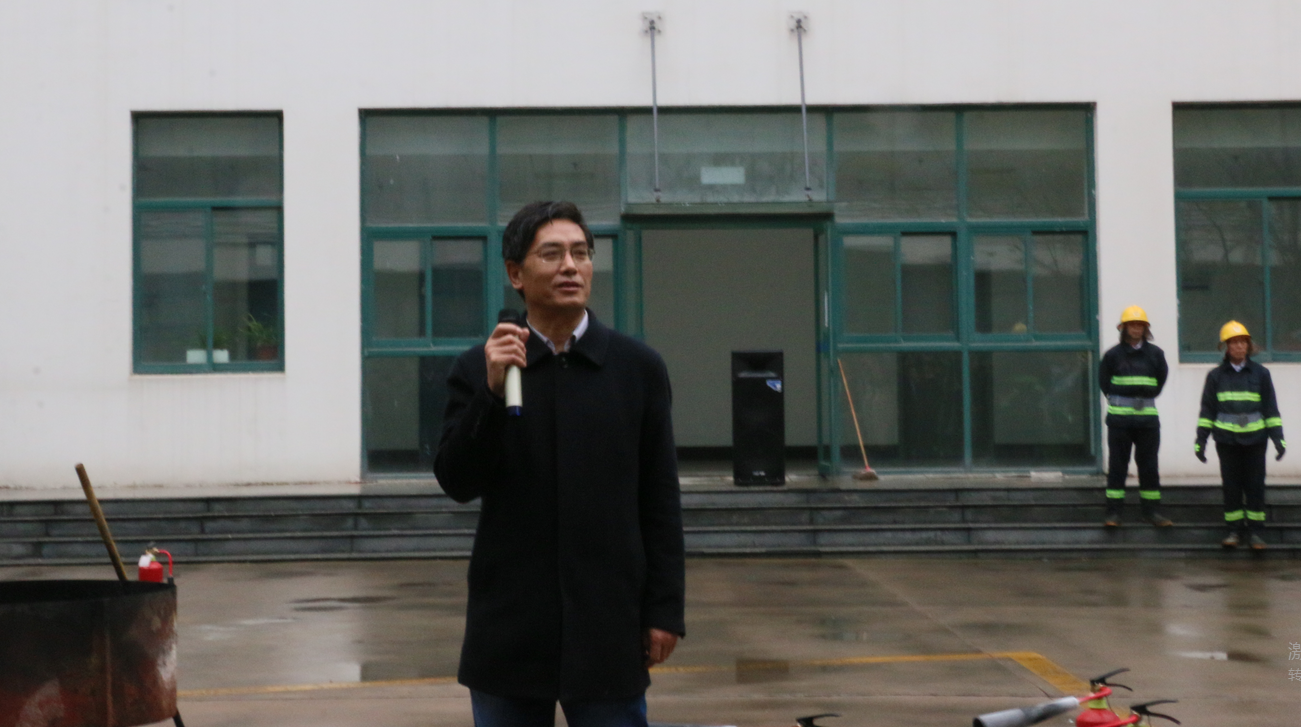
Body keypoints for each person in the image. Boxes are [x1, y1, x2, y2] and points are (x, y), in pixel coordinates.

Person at [434, 201, 685, 727]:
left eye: (581, 253)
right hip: (510, 629)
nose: (571, 266)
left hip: (608, 627)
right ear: (515, 274)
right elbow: (457, 480)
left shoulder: (637, 369)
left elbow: (659, 498)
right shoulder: (479, 367)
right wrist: (491, 394)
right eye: (551, 254)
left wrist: (664, 610)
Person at [1195, 320, 1286, 551]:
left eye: (1243, 342)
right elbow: (1207, 411)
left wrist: (1278, 438)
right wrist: (1201, 440)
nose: (1239, 346)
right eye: (1234, 342)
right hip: (1227, 442)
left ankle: (1256, 532)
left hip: (1256, 441)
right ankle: (1233, 531)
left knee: (1255, 486)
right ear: (1225, 347)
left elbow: (1270, 408)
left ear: (1249, 345)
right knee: (1231, 487)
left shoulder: (1261, 374)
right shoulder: (1215, 376)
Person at [1098, 306, 1171, 527]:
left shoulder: (1156, 354)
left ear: (1146, 329)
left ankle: (1151, 512)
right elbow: (1104, 383)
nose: (1136, 329)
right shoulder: (1112, 355)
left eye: (1140, 325)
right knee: (1117, 466)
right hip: (1119, 421)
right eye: (1132, 325)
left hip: (1147, 421)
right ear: (1124, 328)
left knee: (1149, 467)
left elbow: (1160, 381)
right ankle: (1113, 513)